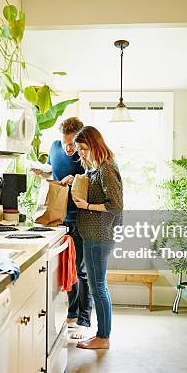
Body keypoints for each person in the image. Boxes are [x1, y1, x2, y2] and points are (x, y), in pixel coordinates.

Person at [32, 117, 93, 338]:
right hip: (59, 217)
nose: (68, 148)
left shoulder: (85, 153)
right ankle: (73, 312)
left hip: (81, 218)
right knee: (67, 269)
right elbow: (52, 170)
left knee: (81, 269)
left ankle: (84, 319)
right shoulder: (55, 147)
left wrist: (75, 177)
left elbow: (93, 178)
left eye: (72, 144)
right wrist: (43, 172)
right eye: (65, 142)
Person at [72, 126, 123, 350]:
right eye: (78, 149)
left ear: (94, 145)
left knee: (97, 287)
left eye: (83, 148)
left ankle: (103, 337)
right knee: (98, 286)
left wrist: (87, 206)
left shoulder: (106, 169)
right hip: (93, 234)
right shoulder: (97, 168)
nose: (80, 153)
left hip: (99, 236)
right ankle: (102, 335)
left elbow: (116, 205)